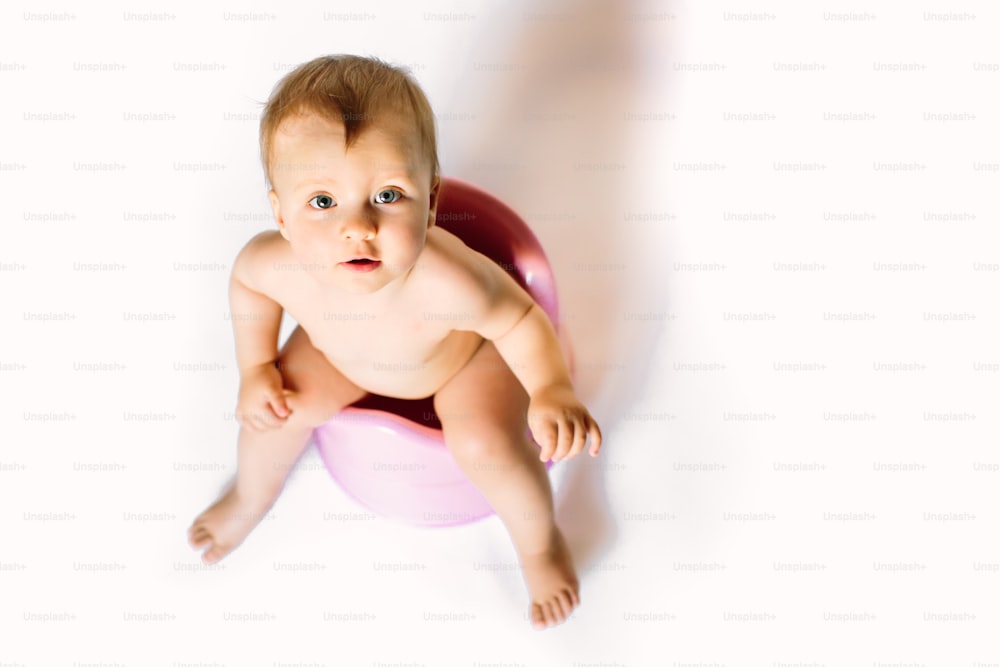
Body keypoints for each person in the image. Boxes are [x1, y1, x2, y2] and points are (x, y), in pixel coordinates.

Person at [188, 55, 602, 630]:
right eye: (323, 202)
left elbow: (519, 318)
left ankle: (538, 545)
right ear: (280, 214)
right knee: (272, 412)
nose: (357, 228)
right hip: (341, 358)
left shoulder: (448, 279)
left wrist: (551, 387)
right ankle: (250, 497)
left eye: (387, 195)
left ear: (431, 201)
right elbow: (248, 289)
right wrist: (256, 365)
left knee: (487, 445)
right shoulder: (273, 264)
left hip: (458, 363)